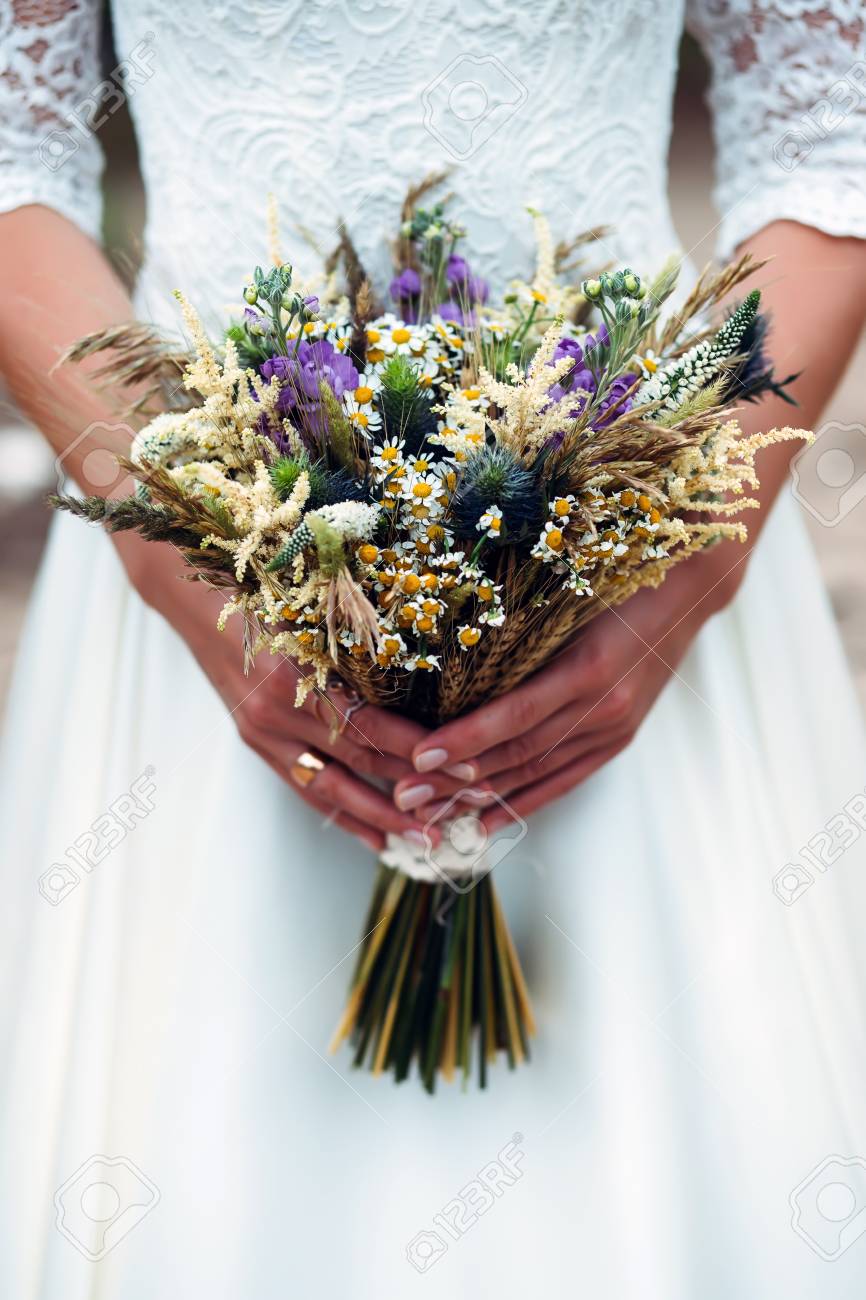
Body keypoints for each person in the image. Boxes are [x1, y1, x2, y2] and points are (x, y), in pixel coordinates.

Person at [1, 3, 866, 1295]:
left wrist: (696, 547)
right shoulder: (183, 553)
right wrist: (177, 543)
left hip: (638, 530)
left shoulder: (673, 553)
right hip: (201, 552)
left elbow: (828, 140)